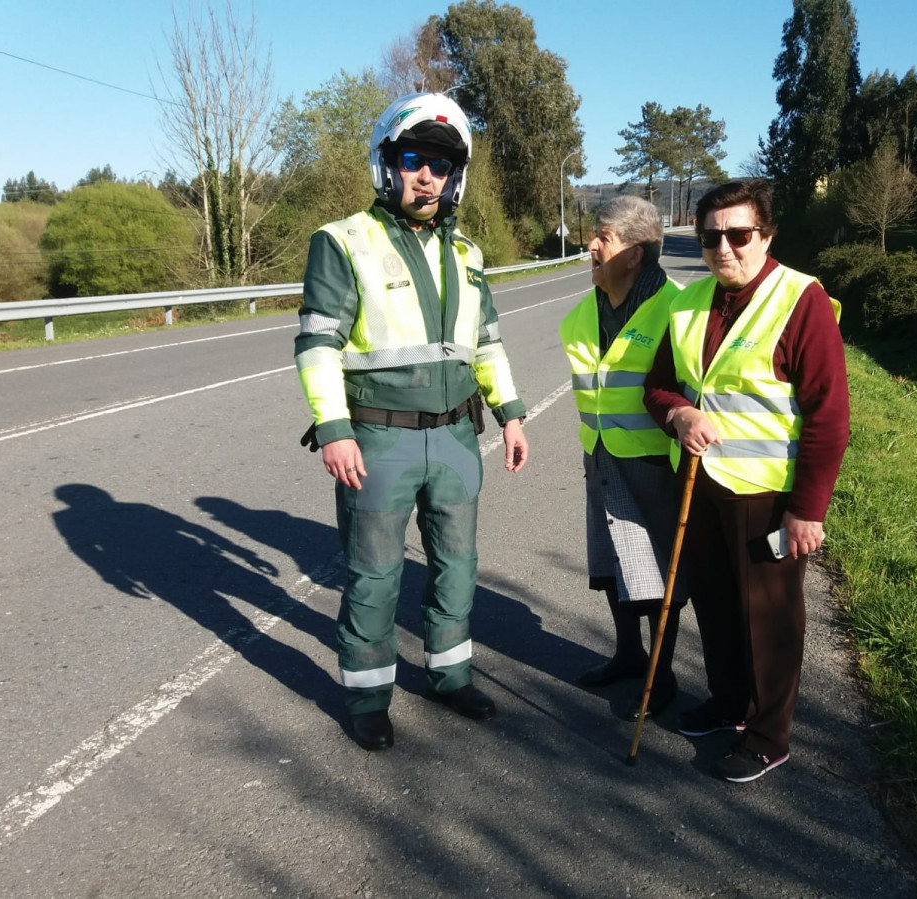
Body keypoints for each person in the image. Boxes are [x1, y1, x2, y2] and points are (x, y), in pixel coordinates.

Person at [294, 92, 529, 752]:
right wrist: (333, 426)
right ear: (388, 164)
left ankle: (450, 675)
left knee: (457, 566)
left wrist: (511, 415)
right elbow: (317, 344)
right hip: (378, 438)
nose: (427, 174)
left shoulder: (470, 255)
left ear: (458, 176)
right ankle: (367, 694)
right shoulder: (343, 241)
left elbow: (487, 344)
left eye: (442, 163)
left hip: (457, 436)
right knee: (374, 574)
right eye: (413, 158)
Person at [644, 179, 848, 782]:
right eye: (711, 237)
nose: (724, 249)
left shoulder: (801, 299)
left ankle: (767, 733)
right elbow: (656, 388)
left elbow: (828, 416)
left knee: (769, 617)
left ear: (766, 235)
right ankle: (730, 704)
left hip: (767, 493)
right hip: (699, 487)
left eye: (739, 235)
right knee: (715, 604)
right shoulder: (687, 302)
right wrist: (678, 414)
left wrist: (807, 510)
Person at [559, 196, 686, 719]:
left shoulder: (678, 308)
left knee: (656, 570)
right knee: (612, 561)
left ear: (635, 252)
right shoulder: (586, 309)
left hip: (657, 462)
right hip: (601, 453)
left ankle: (662, 675)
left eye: (603, 236)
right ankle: (628, 654)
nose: (591, 244)